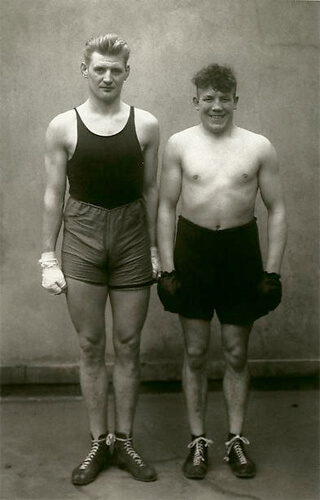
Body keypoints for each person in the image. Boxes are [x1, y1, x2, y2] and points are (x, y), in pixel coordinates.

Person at [39, 34, 161, 485]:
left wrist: (154, 249)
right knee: (91, 346)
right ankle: (98, 441)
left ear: (127, 72)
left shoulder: (146, 124)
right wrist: (47, 256)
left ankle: (123, 441)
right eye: (99, 69)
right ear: (85, 70)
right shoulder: (63, 126)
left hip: (131, 237)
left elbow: (151, 191)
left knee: (128, 345)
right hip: (84, 237)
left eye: (116, 69)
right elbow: (54, 193)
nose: (108, 76)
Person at [157, 63, 287, 480]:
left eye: (224, 98)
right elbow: (165, 207)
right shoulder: (179, 144)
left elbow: (277, 209)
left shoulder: (258, 146)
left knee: (236, 351)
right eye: (207, 98)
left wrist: (273, 271)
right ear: (196, 101)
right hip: (193, 251)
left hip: (239, 252)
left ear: (236, 100)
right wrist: (167, 267)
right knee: (195, 353)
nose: (216, 106)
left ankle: (235, 440)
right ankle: (197, 441)